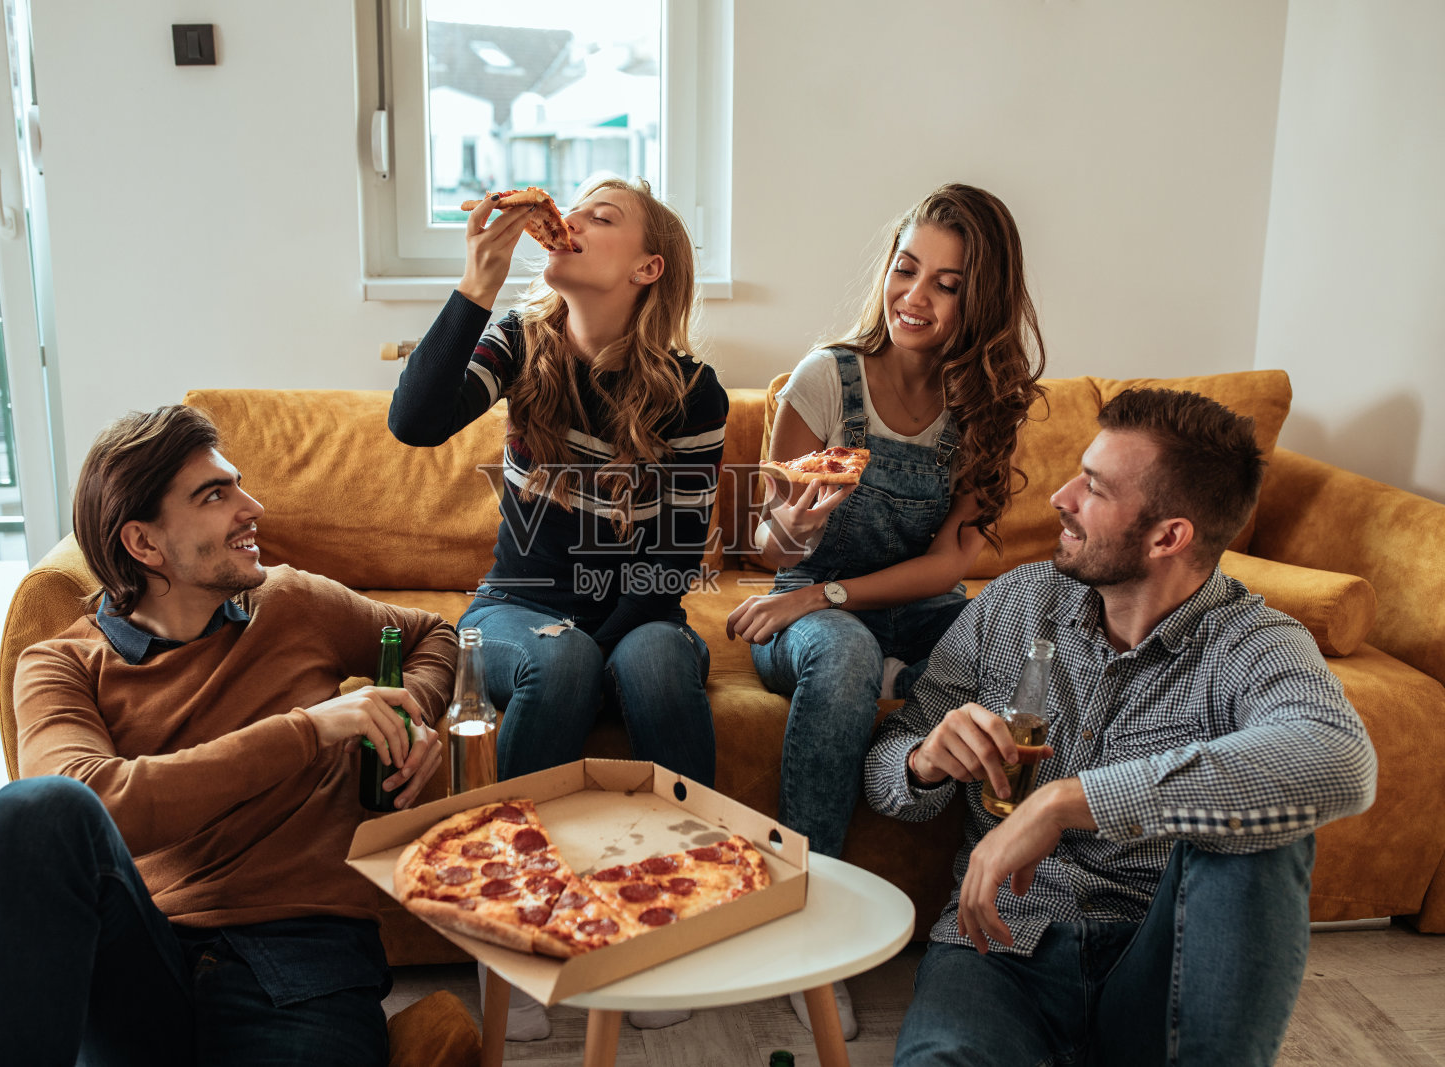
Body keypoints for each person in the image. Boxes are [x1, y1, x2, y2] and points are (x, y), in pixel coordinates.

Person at [865, 388, 1378, 1066]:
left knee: (1268, 832)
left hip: (1161, 967)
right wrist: (923, 759)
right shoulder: (1016, 602)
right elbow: (884, 768)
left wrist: (1069, 800)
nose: (1060, 496)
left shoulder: (1253, 642)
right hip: (1001, 948)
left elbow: (1340, 758)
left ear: (1169, 536)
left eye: (1094, 488)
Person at [0, 405, 462, 1067]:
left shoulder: (294, 602)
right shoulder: (60, 664)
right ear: (144, 543)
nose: (252, 506)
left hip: (305, 962)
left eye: (238, 484)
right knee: (25, 814)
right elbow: (92, 800)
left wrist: (408, 715)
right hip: (140, 959)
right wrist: (308, 730)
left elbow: (429, 634)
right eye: (216, 495)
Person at [388, 176, 727, 1037]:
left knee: (648, 658)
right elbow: (415, 420)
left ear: (648, 267)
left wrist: (604, 644)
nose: (572, 222)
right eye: (573, 208)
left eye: (602, 217)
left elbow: (673, 561)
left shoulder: (695, 391)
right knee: (561, 653)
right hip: (513, 608)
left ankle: (673, 926)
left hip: (640, 613)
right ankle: (509, 934)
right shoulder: (516, 341)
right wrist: (476, 285)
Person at [725, 184, 1045, 1036]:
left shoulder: (984, 400)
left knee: (1030, 668)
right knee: (849, 657)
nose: (916, 295)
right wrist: (793, 533)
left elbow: (953, 561)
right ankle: (807, 924)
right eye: (907, 269)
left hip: (890, 604)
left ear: (982, 299)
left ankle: (992, 920)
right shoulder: (825, 380)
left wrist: (831, 591)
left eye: (947, 282)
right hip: (806, 618)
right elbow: (768, 546)